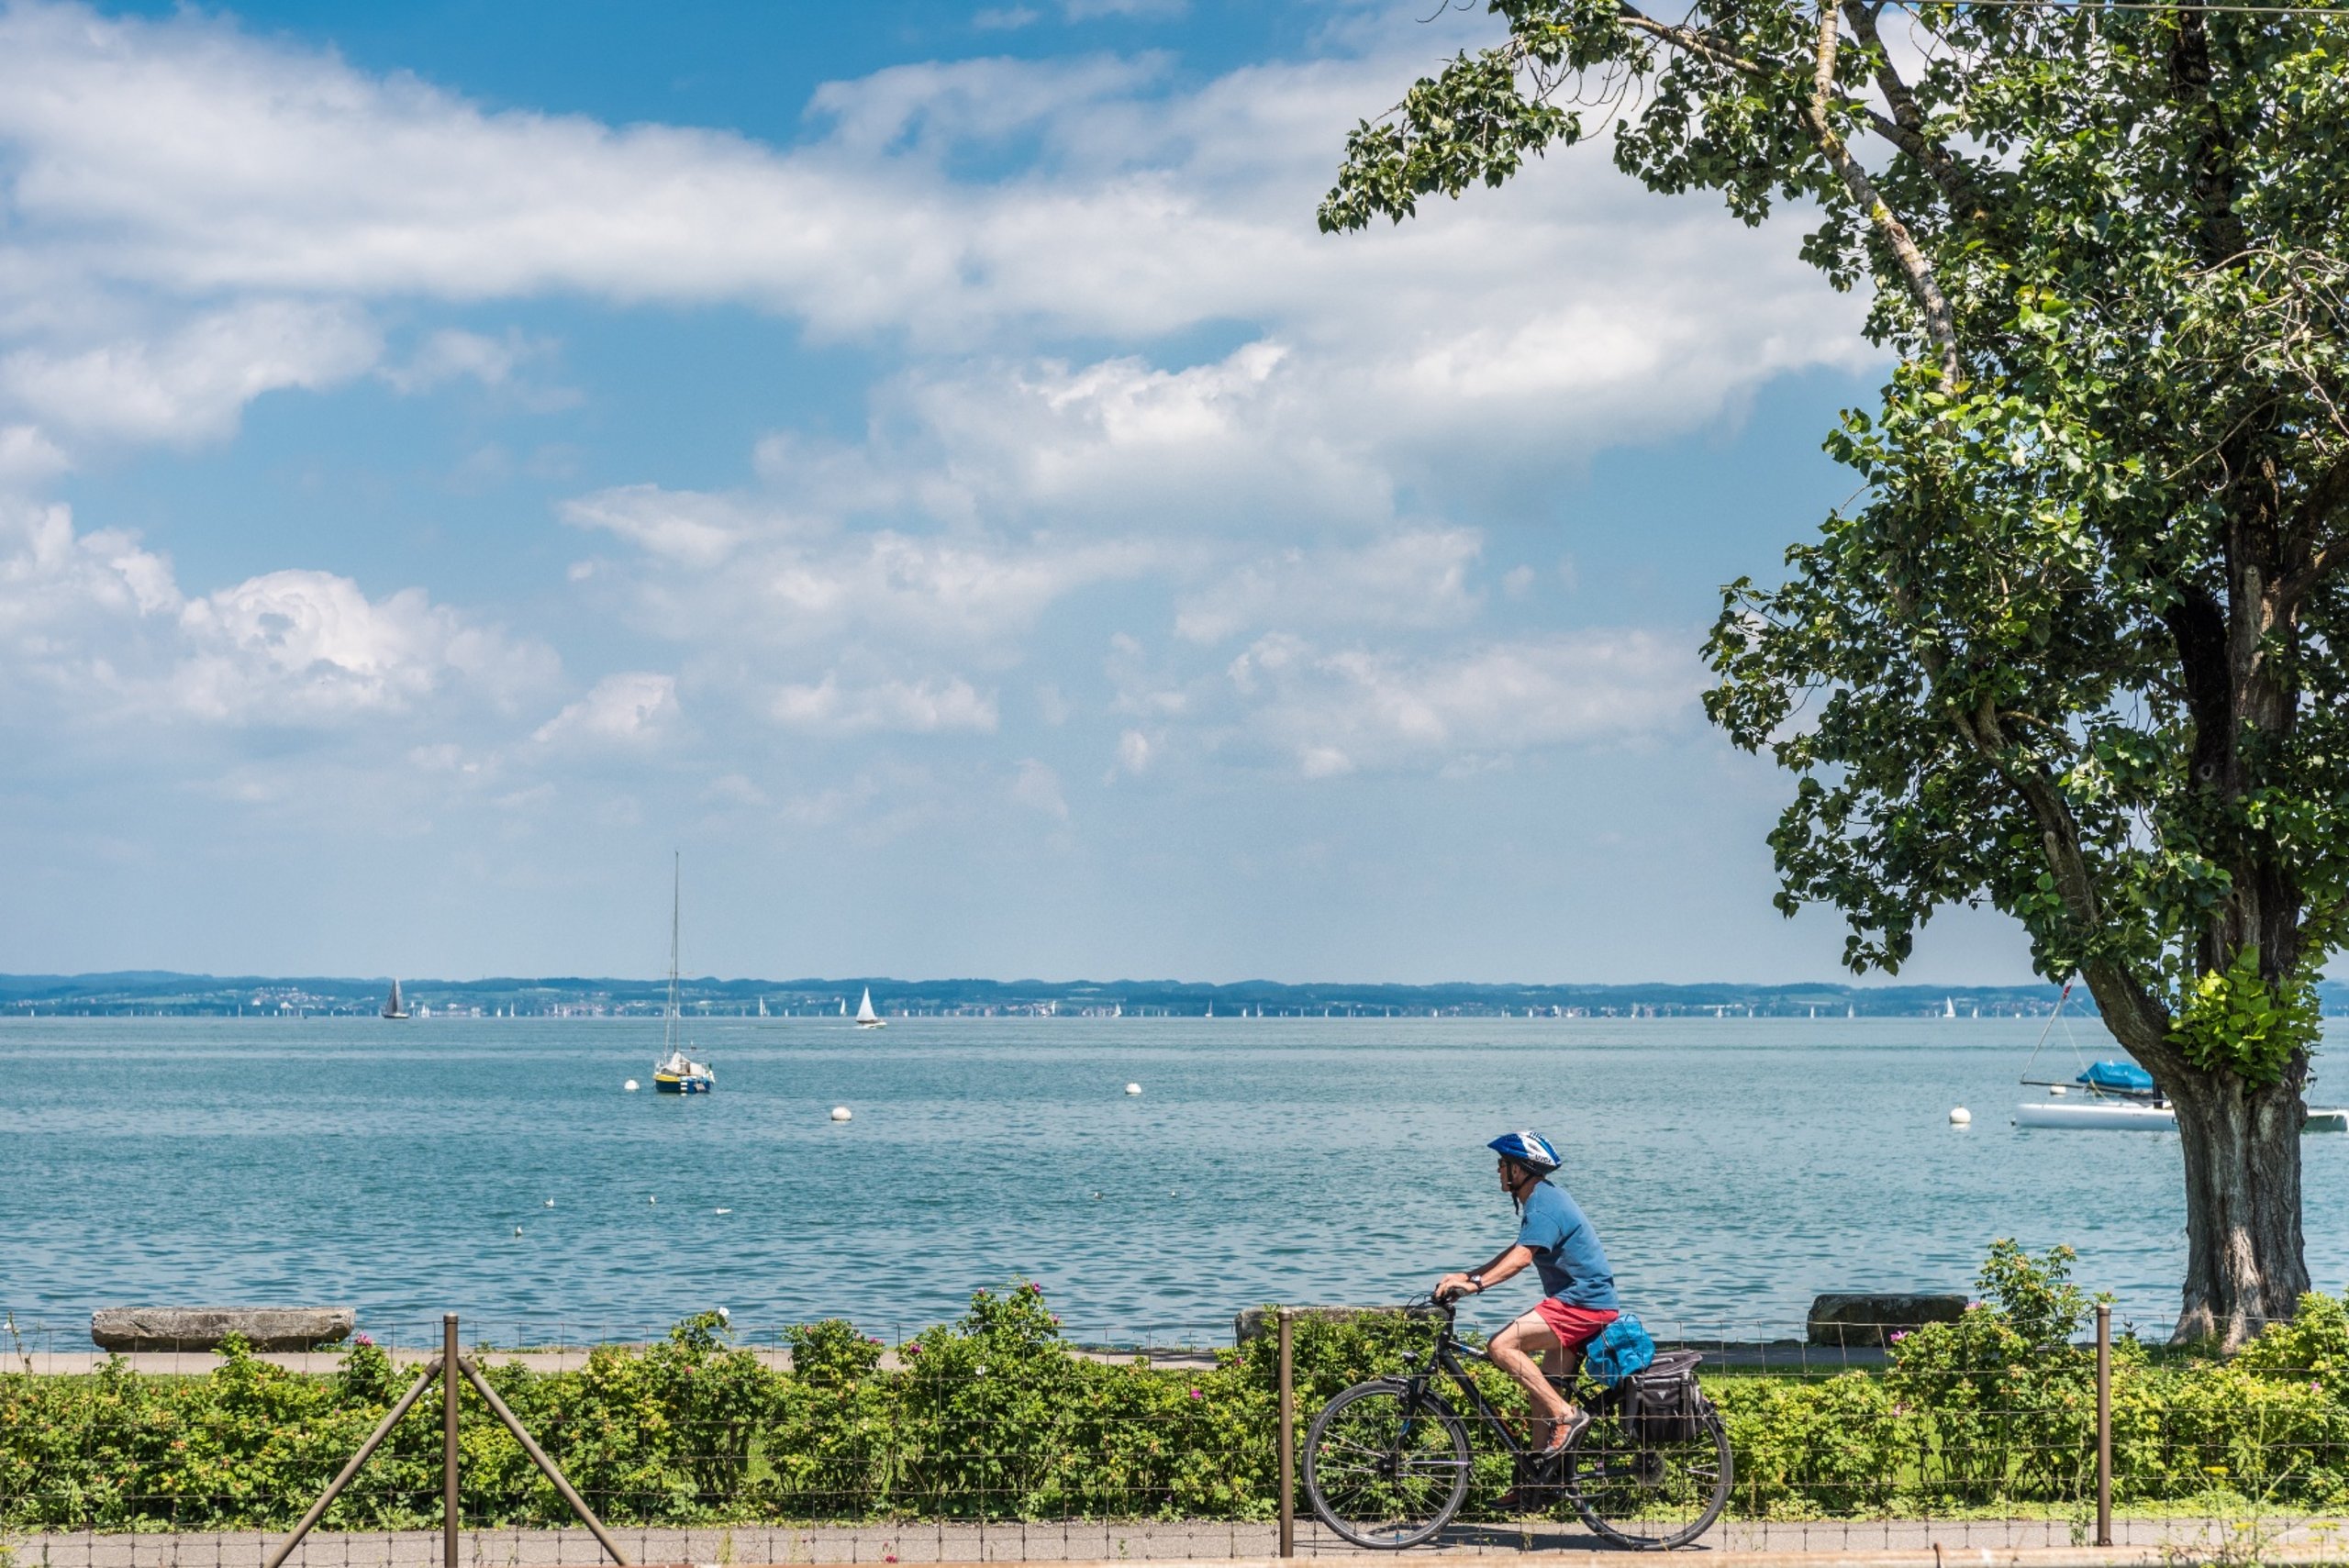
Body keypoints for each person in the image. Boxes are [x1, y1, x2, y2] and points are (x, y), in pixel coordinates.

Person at [1437, 1130, 1620, 1459]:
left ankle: (1567, 1416)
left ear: (1518, 1169)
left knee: (1501, 1346)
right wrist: (1468, 1275)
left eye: (1502, 1163)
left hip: (1583, 1303)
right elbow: (1517, 1249)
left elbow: (1522, 1259)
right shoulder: (1543, 1198)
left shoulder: (1543, 1204)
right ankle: (1535, 1480)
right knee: (1540, 1396)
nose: (1497, 1170)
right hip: (1579, 1302)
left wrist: (1476, 1286)